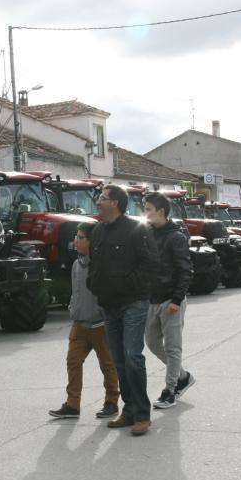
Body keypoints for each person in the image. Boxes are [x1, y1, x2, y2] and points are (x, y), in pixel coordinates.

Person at [89, 184, 159, 436]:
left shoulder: (137, 229)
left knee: (132, 357)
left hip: (133, 302)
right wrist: (94, 286)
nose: (98, 202)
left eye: (102, 198)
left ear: (115, 203)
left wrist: (127, 285)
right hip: (109, 304)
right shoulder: (97, 231)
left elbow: (150, 265)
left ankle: (142, 414)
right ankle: (128, 410)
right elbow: (94, 266)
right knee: (119, 360)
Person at [49, 223, 120, 420]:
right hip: (79, 325)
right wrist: (73, 308)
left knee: (107, 365)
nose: (75, 241)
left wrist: (103, 315)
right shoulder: (75, 265)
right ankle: (72, 405)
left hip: (100, 326)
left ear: (92, 241)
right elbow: (76, 292)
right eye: (76, 237)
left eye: (80, 237)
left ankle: (111, 402)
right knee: (72, 362)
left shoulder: (102, 265)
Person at [143, 193, 196, 410]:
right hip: (152, 299)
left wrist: (176, 299)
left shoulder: (176, 237)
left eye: (148, 209)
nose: (145, 213)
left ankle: (170, 390)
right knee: (153, 343)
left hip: (171, 301)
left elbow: (186, 270)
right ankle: (182, 375)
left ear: (161, 212)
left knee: (173, 348)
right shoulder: (147, 234)